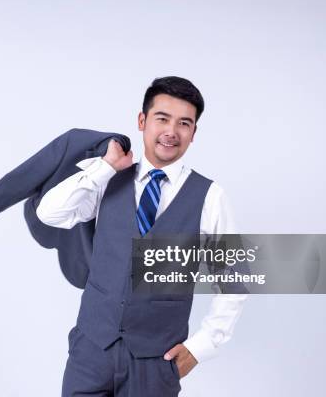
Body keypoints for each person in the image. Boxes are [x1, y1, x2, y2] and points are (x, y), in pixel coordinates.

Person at [37, 76, 247, 396]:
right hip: (91, 353)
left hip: (154, 366)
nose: (171, 132)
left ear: (193, 134)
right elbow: (49, 213)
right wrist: (106, 166)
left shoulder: (210, 197)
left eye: (184, 124)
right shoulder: (107, 178)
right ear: (142, 120)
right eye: (162, 118)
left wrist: (201, 347)